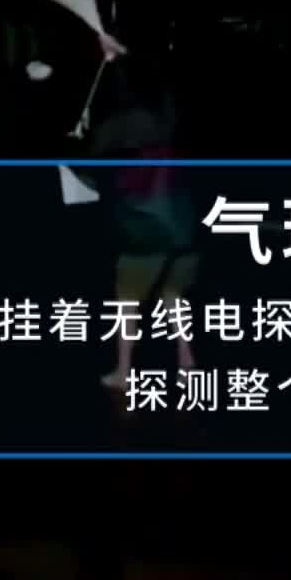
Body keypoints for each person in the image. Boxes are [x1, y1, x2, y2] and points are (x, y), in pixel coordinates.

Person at [80, 42, 195, 388]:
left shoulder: (117, 124)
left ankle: (125, 370)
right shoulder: (168, 116)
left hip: (144, 229)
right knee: (173, 295)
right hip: (183, 225)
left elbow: (87, 167)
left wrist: (82, 132)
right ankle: (186, 359)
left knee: (127, 301)